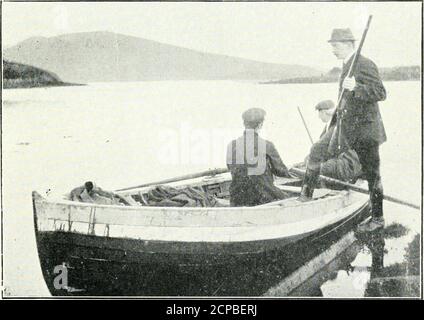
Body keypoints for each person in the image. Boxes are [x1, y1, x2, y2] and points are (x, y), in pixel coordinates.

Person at [299, 28, 386, 232]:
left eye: (335, 46)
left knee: (372, 174)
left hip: (366, 131)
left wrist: (356, 87)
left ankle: (378, 219)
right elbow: (344, 100)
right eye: (332, 46)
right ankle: (305, 194)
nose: (333, 50)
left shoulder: (364, 64)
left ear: (348, 44)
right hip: (345, 126)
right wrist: (335, 120)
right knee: (317, 150)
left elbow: (381, 93)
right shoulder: (346, 65)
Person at [226, 108, 292, 206]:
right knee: (291, 199)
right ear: (260, 124)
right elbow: (281, 171)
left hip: (238, 199)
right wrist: (289, 170)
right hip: (263, 197)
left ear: (244, 124)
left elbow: (230, 167)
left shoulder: (231, 145)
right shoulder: (267, 145)